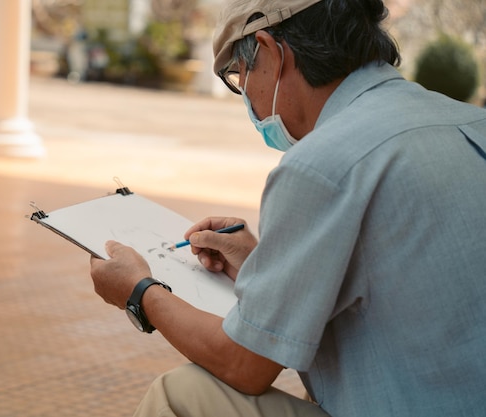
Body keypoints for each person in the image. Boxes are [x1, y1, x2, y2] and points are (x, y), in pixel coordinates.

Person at [89, 0, 486, 415]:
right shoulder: (470, 121)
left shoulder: (320, 164)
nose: (247, 97)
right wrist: (262, 263)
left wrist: (139, 290)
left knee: (183, 393)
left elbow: (244, 364)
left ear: (271, 52)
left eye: (239, 75)